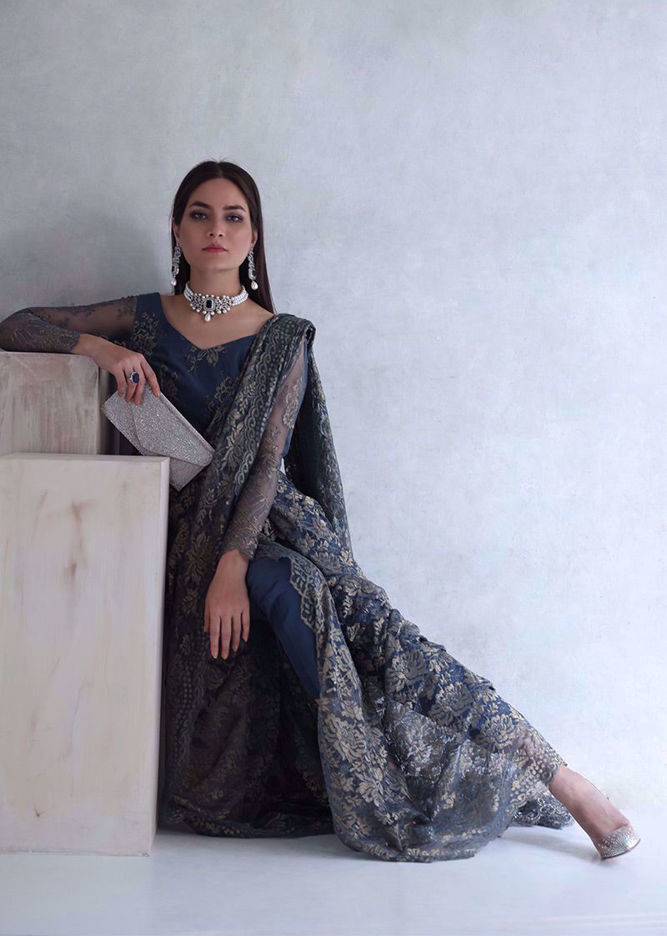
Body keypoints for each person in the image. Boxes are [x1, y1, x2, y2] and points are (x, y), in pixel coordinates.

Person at [0, 159, 640, 862]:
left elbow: (267, 465)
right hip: (177, 526)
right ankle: (366, 765)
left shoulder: (282, 337)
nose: (216, 230)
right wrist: (99, 349)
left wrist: (233, 564)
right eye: (200, 215)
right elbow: (17, 324)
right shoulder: (142, 319)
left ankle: (562, 779)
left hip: (274, 523)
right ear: (176, 230)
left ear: (254, 237)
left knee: (389, 640)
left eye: (234, 217)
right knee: (300, 592)